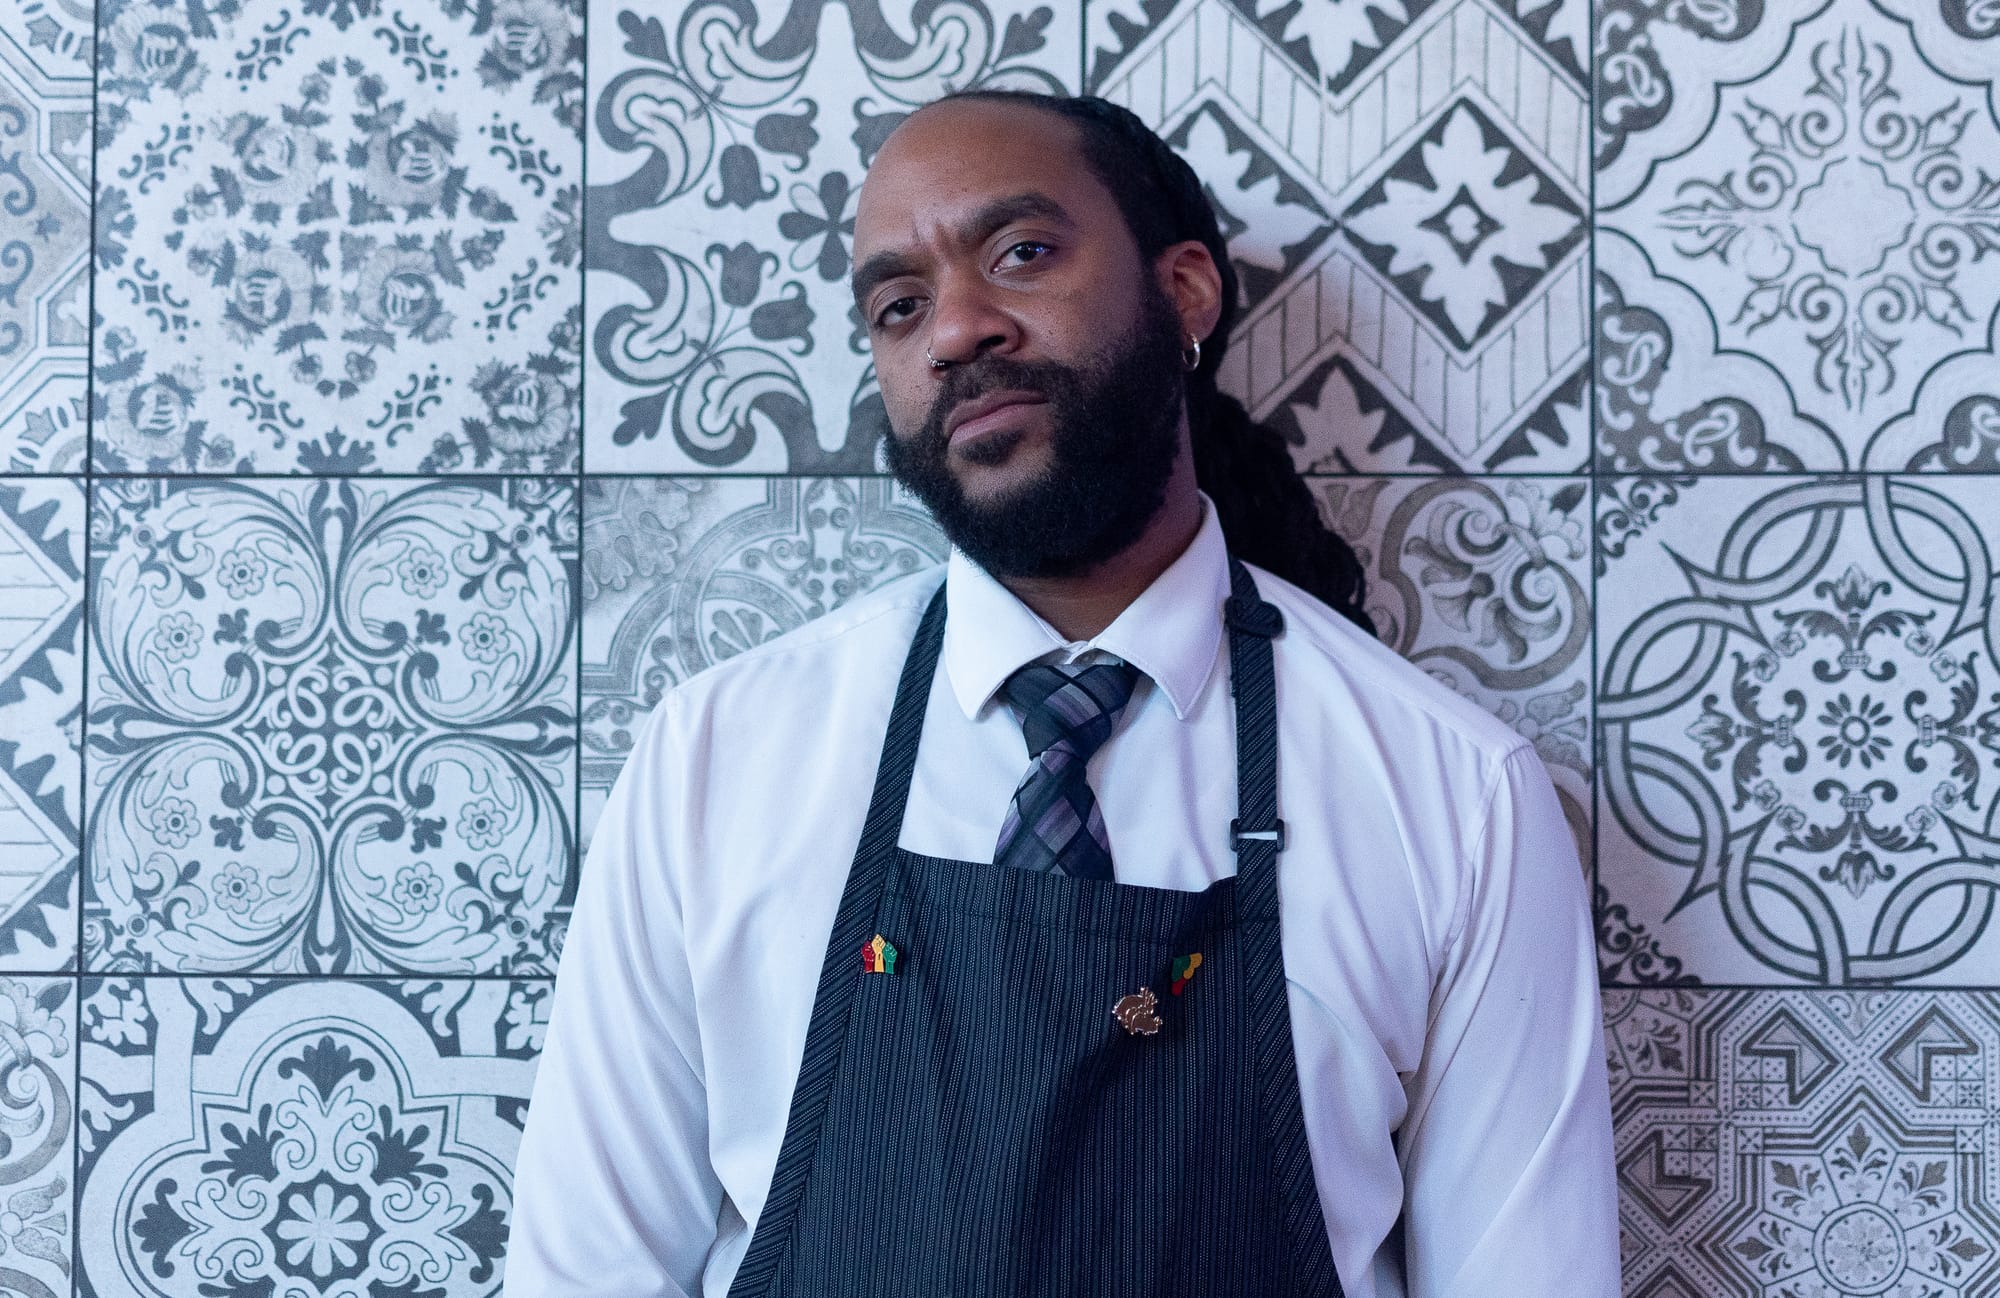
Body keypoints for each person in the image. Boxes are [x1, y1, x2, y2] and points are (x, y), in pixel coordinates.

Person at [505, 91, 1619, 1298]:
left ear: (1185, 293)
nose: (954, 331)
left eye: (1020, 253)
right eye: (898, 305)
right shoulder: (715, 758)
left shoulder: (1452, 794)